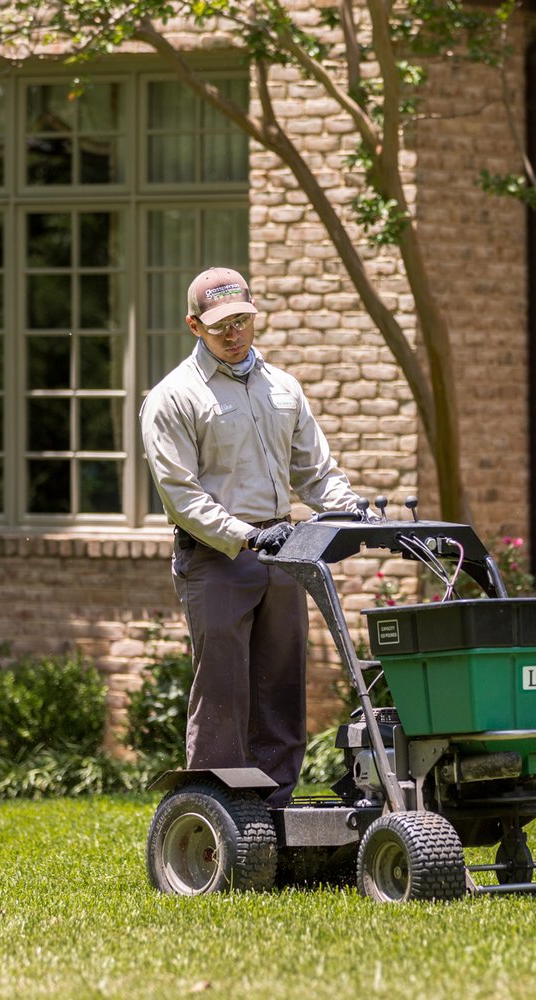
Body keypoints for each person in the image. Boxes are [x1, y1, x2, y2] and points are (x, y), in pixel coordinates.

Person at [140, 266, 367, 807]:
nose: (234, 333)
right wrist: (243, 535)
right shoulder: (174, 397)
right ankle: (218, 813)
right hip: (216, 556)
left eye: (242, 320)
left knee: (282, 682)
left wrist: (352, 509)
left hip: (283, 550)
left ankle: (275, 806)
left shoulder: (282, 387)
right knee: (223, 687)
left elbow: (315, 472)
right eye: (221, 325)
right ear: (195, 325)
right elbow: (182, 495)